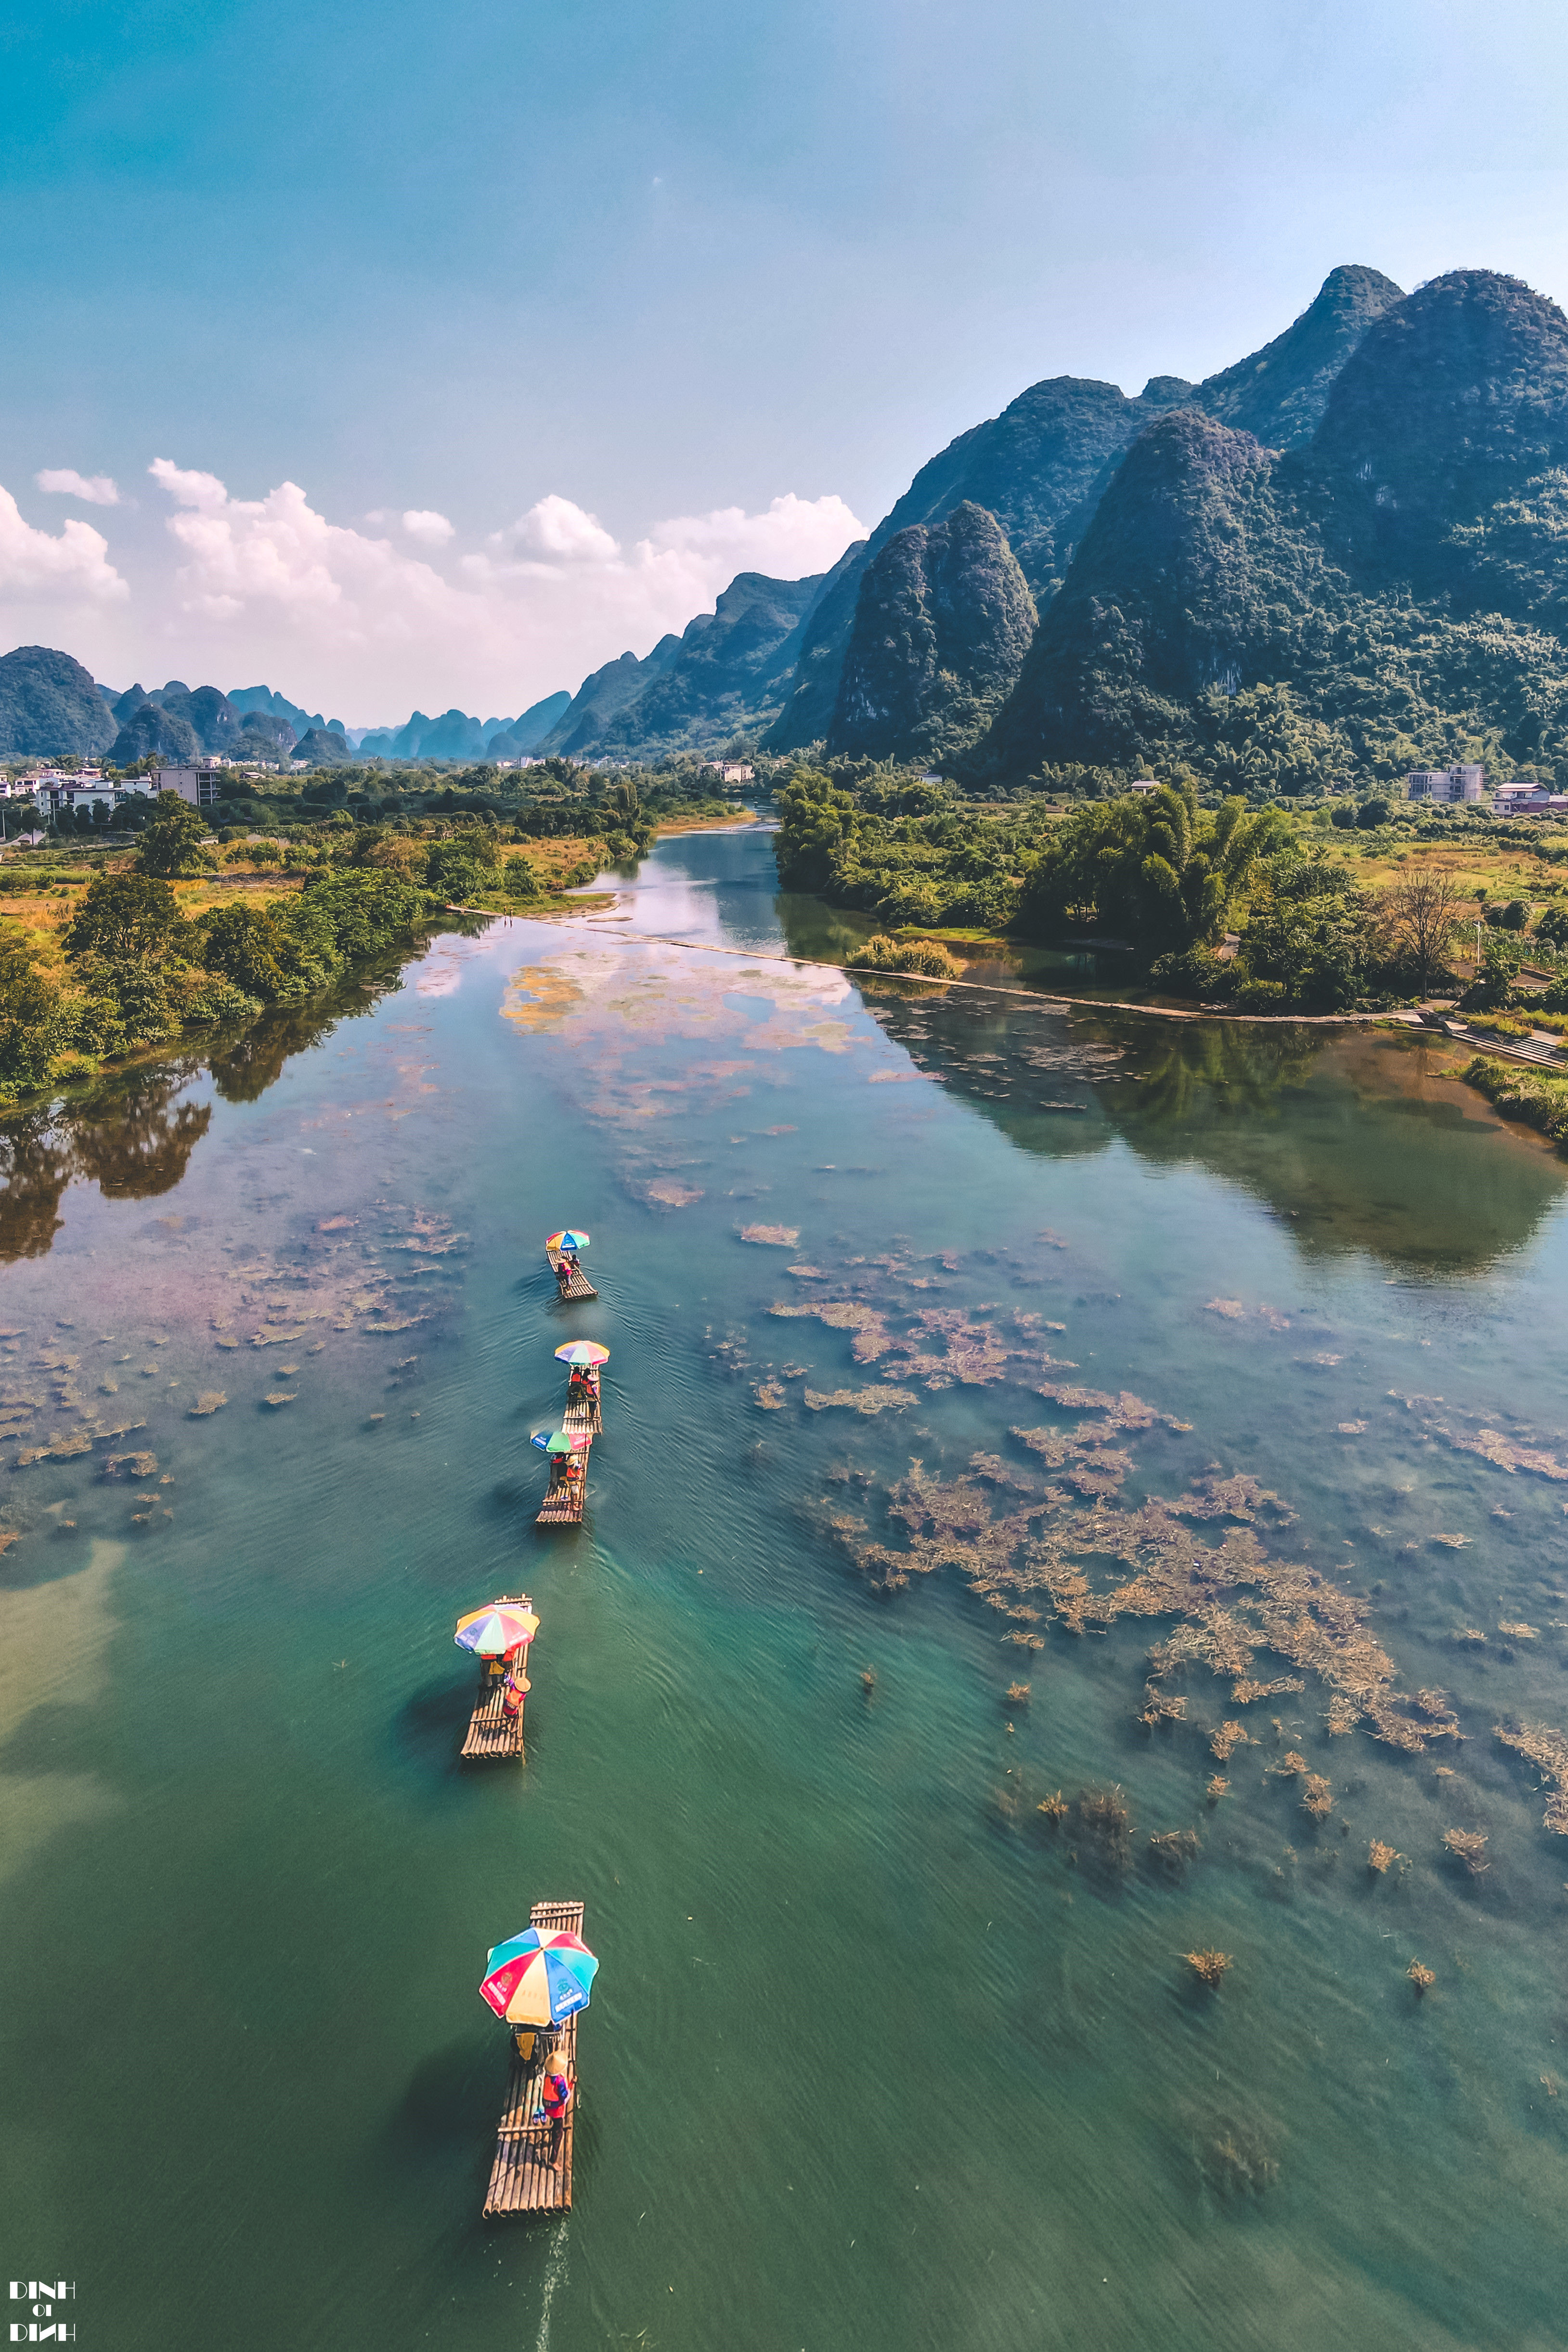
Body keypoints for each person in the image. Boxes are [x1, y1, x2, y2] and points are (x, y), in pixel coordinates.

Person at [539, 2053, 572, 2170]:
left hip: (549, 2108)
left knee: (555, 2124)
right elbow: (564, 2096)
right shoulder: (560, 2081)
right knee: (559, 2135)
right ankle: (553, 2160)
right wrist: (570, 2091)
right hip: (557, 2111)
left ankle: (553, 2128)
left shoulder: (547, 2077)